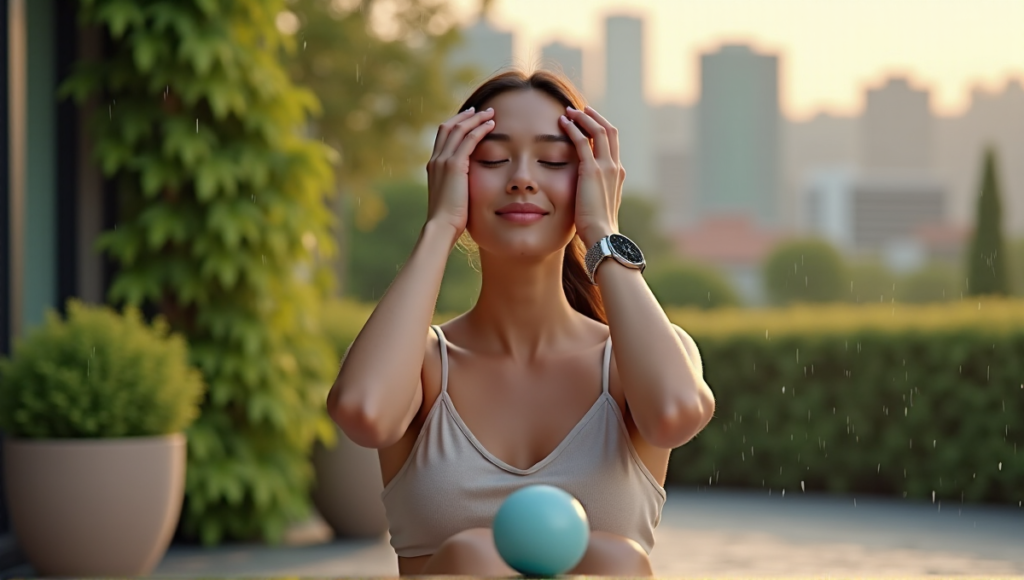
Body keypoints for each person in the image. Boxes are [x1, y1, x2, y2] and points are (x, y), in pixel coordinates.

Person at [326, 68, 715, 576]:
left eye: (554, 160)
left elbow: (675, 414)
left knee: (613, 558)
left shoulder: (636, 358)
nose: (522, 178)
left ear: (592, 178)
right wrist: (440, 226)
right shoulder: (421, 364)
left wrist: (602, 231)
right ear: (455, 174)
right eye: (492, 159)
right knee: (472, 555)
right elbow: (363, 412)